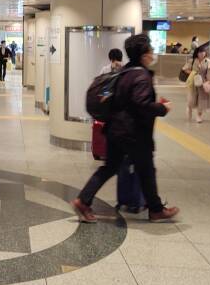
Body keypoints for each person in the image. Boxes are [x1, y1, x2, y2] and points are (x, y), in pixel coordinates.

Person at [71, 33, 179, 223]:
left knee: (109, 167)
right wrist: (163, 107)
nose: (152, 53)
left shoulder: (123, 72)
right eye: (151, 50)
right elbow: (141, 104)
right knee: (146, 170)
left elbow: (112, 98)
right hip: (134, 134)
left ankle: (83, 200)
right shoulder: (141, 76)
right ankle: (155, 210)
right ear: (144, 54)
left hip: (114, 130)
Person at [184, 42, 210, 123]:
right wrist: (193, 73)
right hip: (193, 82)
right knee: (191, 98)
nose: (202, 53)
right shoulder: (192, 61)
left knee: (202, 100)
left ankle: (199, 116)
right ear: (197, 53)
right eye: (200, 52)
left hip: (203, 83)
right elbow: (185, 69)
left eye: (203, 52)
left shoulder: (208, 62)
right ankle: (189, 108)